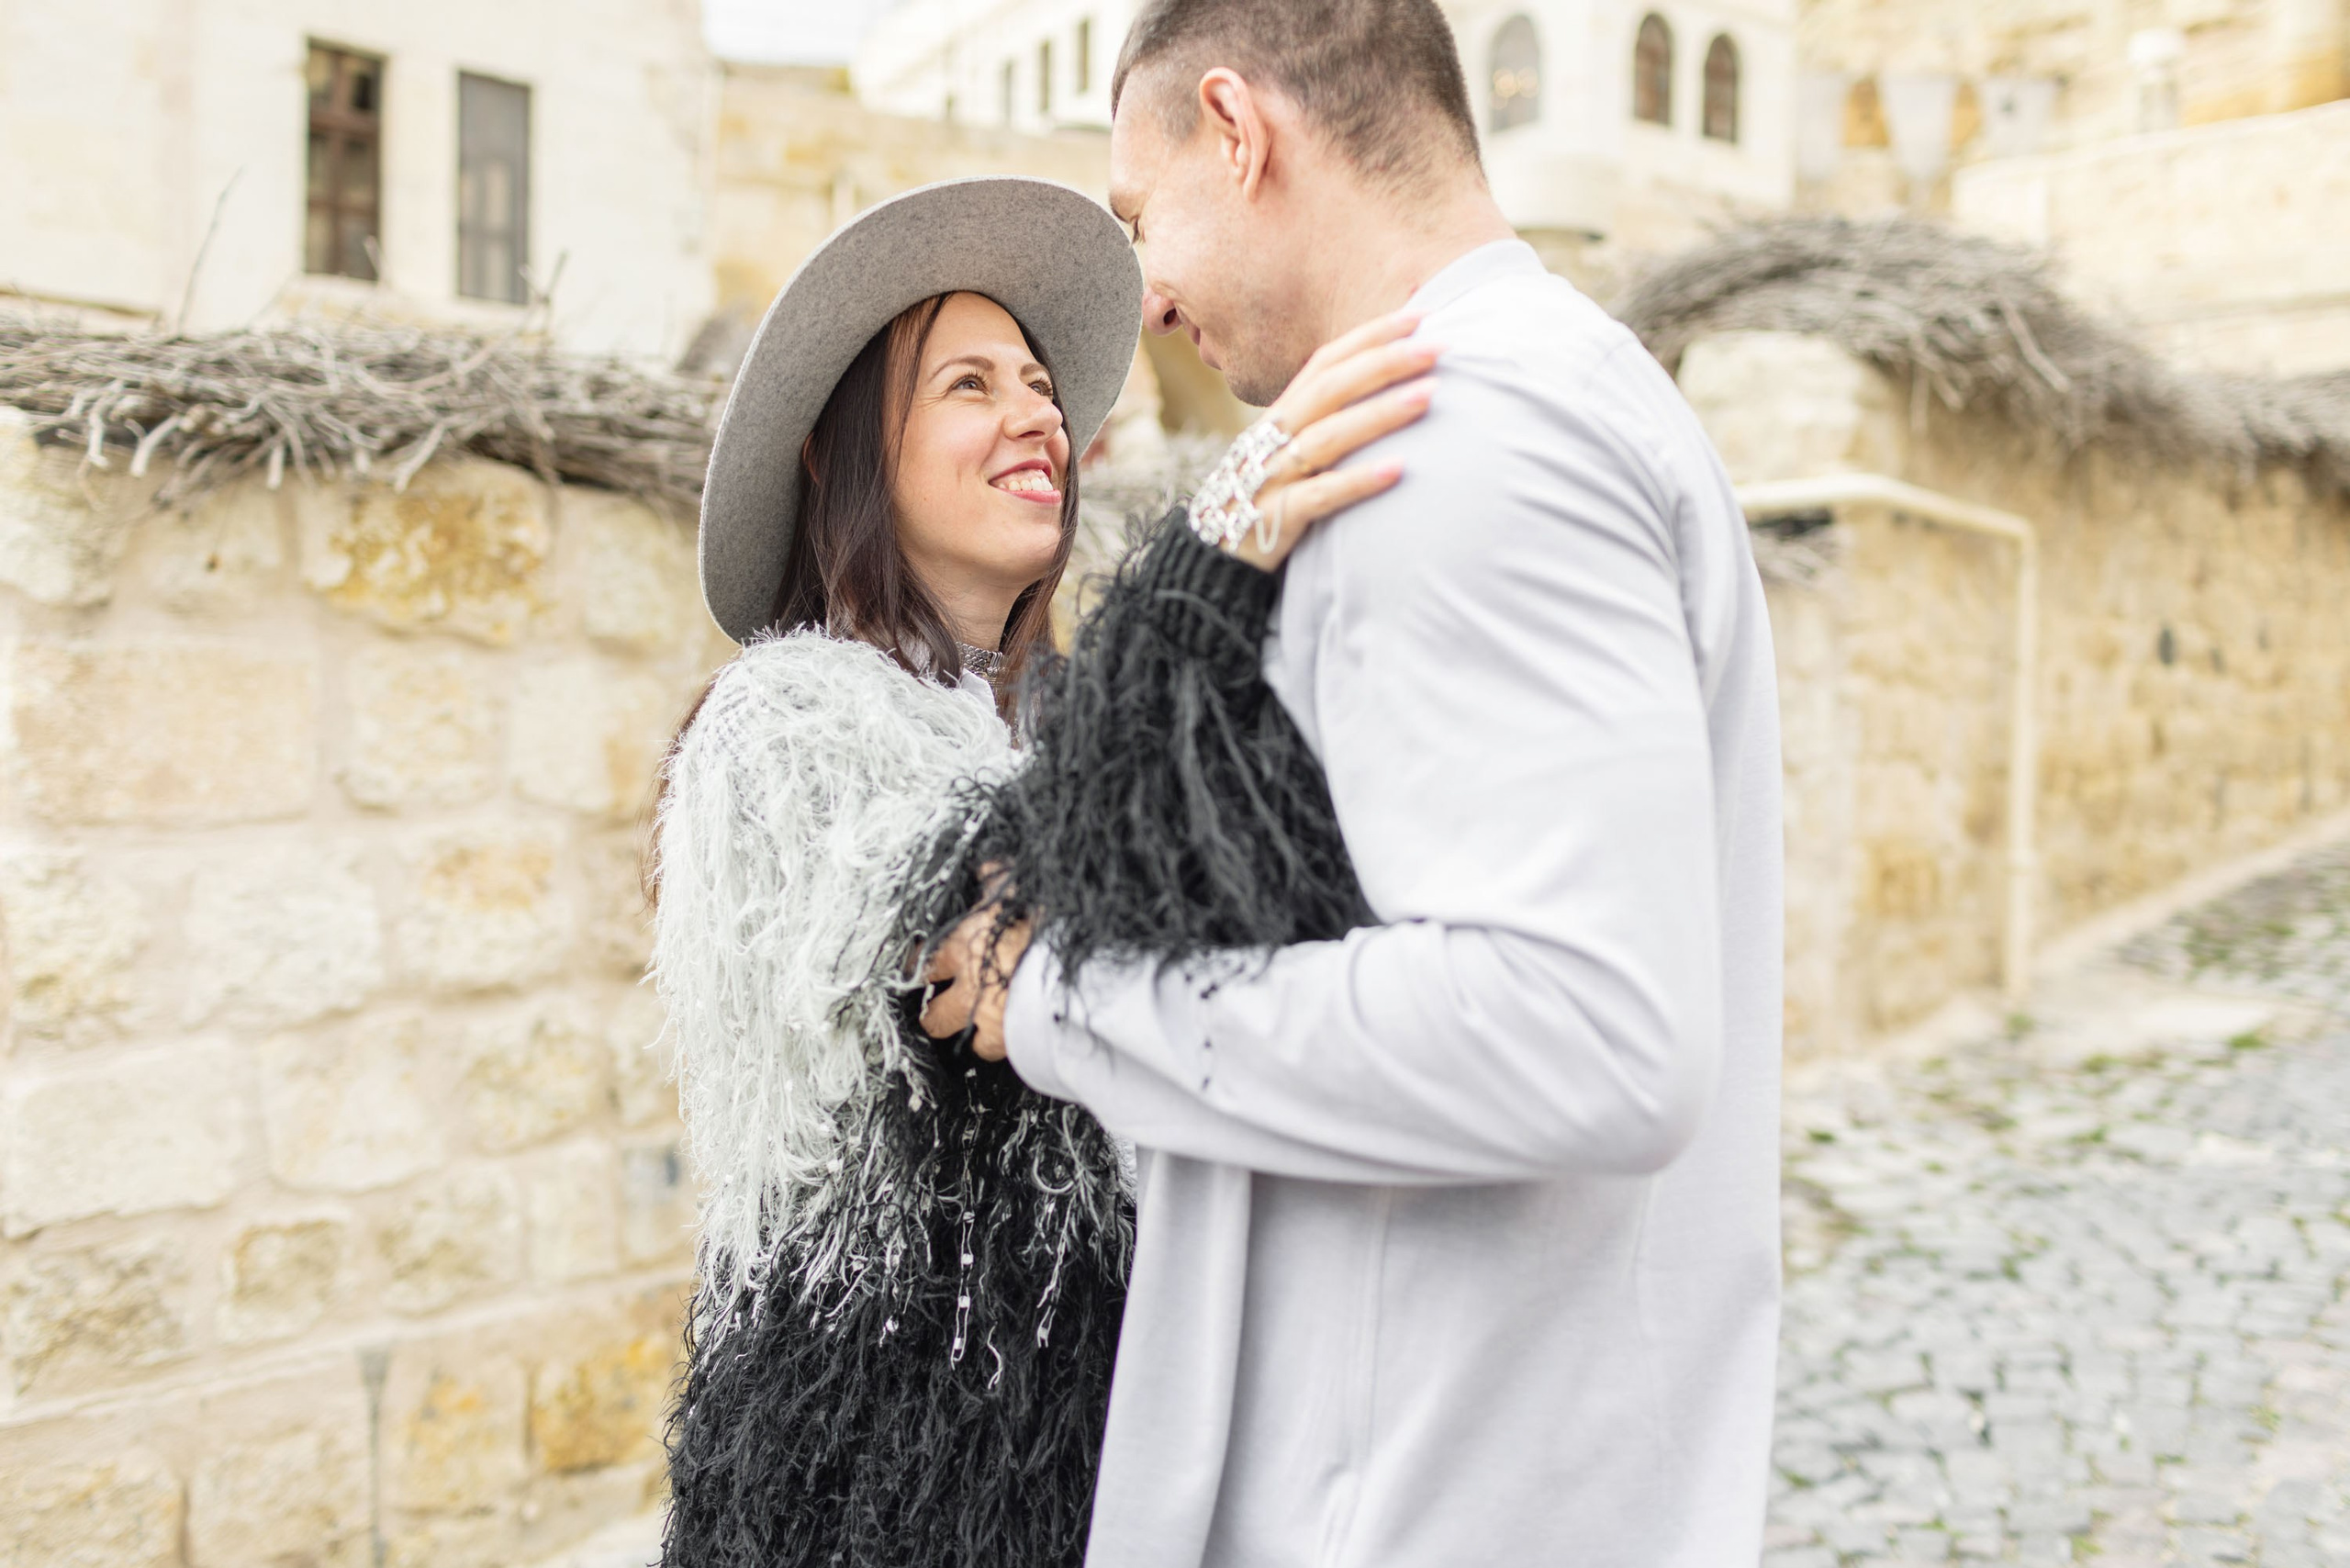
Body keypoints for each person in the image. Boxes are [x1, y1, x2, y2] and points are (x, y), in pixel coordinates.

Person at [918, 4, 1788, 1564]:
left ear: (1240, 133)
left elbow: (1591, 1032)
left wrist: (1062, 1000)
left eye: (1140, 218)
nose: (1149, 293)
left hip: (1417, 1498)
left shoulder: (1460, 442)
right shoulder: (1549, 391)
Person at [648, 175, 1437, 1568]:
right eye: (969, 382)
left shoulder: (1087, 713)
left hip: (1130, 1465)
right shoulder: (776, 722)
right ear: (844, 456)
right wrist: (1195, 592)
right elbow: (969, 943)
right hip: (873, 1489)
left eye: (1040, 382)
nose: (1040, 417)